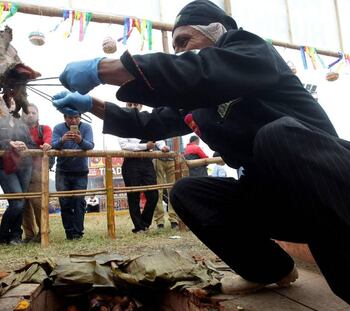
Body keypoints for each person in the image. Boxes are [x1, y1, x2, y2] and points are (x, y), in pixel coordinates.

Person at [51, 0, 350, 303]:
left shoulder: (250, 50)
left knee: (277, 136)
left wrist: (102, 69)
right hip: (281, 204)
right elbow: (150, 123)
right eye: (175, 46)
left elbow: (202, 72)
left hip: (332, 189)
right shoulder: (200, 101)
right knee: (188, 191)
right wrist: (92, 105)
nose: (179, 52)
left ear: (218, 33)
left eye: (184, 41)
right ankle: (269, 269)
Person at [0, 98, 36, 245]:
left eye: (13, 103)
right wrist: (8, 143)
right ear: (0, 105)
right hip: (4, 166)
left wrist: (25, 145)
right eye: (6, 102)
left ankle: (15, 235)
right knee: (17, 202)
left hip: (25, 165)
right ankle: (0, 234)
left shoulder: (22, 122)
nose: (10, 105)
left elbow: (32, 144)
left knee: (19, 202)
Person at [118, 102, 167, 233]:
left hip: (147, 162)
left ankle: (144, 223)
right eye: (130, 104)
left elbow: (158, 138)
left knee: (153, 195)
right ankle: (139, 226)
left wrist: (162, 147)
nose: (133, 106)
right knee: (133, 196)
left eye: (136, 104)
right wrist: (145, 146)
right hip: (131, 163)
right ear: (126, 106)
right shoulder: (122, 123)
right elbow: (124, 145)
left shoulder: (149, 121)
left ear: (141, 106)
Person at [51, 109, 94, 240]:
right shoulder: (58, 128)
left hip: (80, 171)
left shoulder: (87, 127)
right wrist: (62, 140)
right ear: (65, 118)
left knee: (79, 201)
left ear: (80, 117)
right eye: (70, 118)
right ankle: (69, 232)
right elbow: (53, 145)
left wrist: (80, 140)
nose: (73, 120)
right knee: (64, 202)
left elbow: (90, 145)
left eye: (76, 117)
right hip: (62, 171)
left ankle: (78, 232)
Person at [22, 103, 52, 243]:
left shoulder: (43, 129)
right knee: (23, 203)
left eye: (34, 112)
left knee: (37, 202)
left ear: (38, 115)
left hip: (37, 170)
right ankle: (29, 234)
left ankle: (43, 231)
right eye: (28, 112)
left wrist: (47, 144)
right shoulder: (18, 130)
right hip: (20, 170)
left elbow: (48, 139)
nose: (31, 114)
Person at [153, 138, 181, 229]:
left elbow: (180, 145)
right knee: (158, 191)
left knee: (173, 190)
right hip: (158, 158)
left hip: (173, 159)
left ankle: (174, 219)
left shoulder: (177, 129)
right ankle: (160, 221)